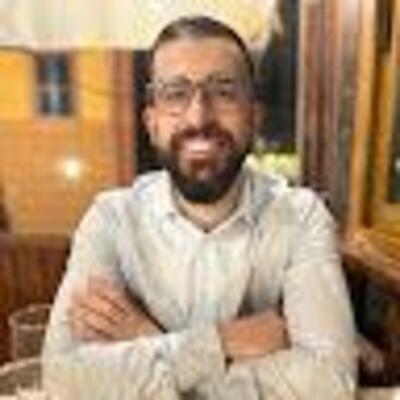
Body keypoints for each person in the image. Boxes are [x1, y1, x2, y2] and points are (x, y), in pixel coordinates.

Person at [43, 15, 357, 400]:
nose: (199, 116)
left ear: (254, 117)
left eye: (223, 92)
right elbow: (64, 378)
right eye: (176, 94)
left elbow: (330, 380)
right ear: (152, 122)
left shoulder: (302, 216)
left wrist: (148, 341)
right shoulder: (111, 220)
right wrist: (222, 342)